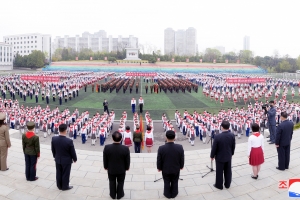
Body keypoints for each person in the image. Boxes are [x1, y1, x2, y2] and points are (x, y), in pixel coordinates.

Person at [157, 130, 184, 199]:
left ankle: (167, 194)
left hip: (165, 169)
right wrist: (181, 166)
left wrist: (159, 168)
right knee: (175, 181)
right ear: (174, 137)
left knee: (166, 182)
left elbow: (159, 160)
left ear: (166, 137)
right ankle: (174, 193)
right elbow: (182, 158)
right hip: (176, 169)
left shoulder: (161, 148)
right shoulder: (179, 147)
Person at [103, 131, 130, 199]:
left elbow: (105, 159)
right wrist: (127, 167)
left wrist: (105, 166)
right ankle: (119, 195)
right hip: (121, 169)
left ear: (112, 138)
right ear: (121, 139)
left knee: (111, 182)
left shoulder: (107, 147)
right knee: (121, 182)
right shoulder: (125, 148)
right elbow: (127, 160)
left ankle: (112, 195)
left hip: (111, 169)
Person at [210, 120, 235, 190]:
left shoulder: (217, 136)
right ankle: (227, 184)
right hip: (228, 155)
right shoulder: (232, 135)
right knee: (228, 171)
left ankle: (219, 185)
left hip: (219, 157)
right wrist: (232, 153)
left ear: (222, 127)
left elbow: (214, 147)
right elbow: (233, 146)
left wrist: (212, 156)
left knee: (219, 171)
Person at [51, 124, 77, 190]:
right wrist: (75, 159)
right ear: (65, 131)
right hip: (66, 160)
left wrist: (55, 156)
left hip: (58, 159)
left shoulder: (54, 139)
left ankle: (59, 185)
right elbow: (72, 151)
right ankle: (65, 186)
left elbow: (53, 149)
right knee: (66, 173)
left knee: (58, 172)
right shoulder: (69, 141)